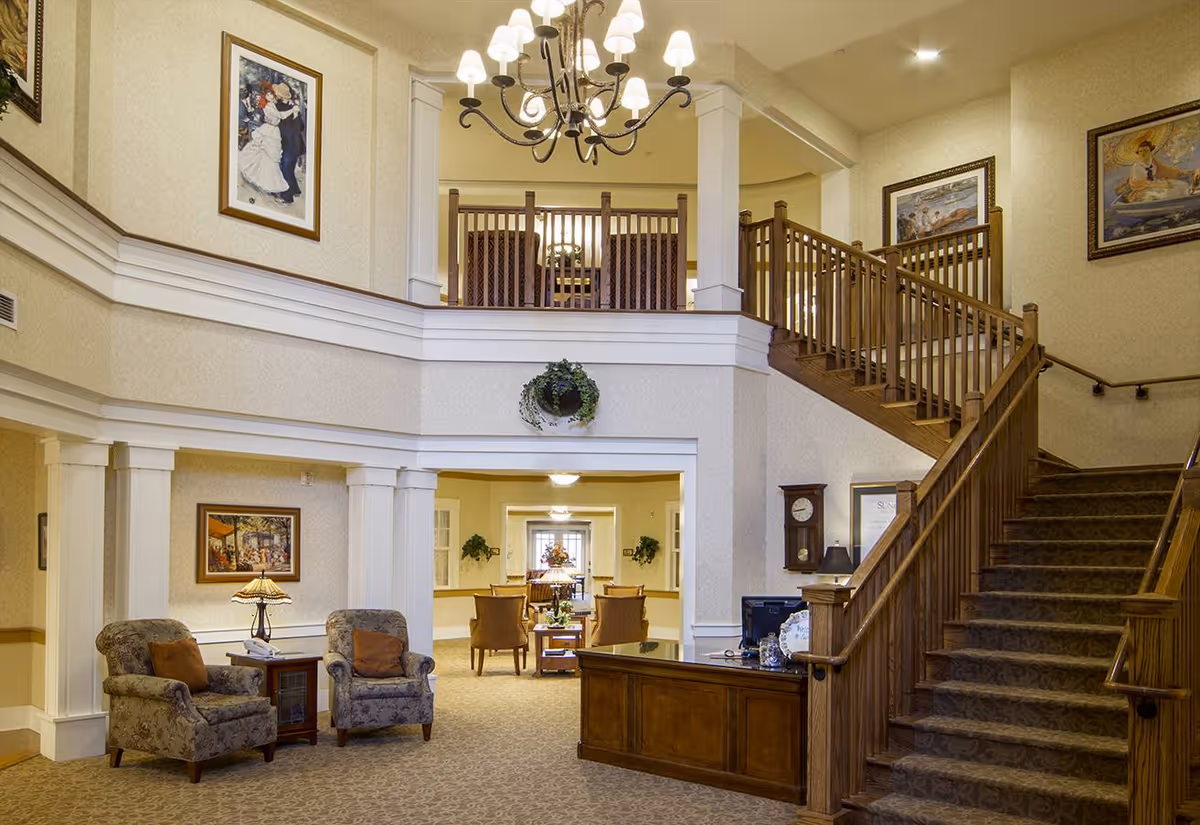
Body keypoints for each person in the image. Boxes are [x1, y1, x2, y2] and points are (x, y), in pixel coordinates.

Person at [237, 83, 298, 198]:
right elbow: (281, 115)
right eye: (269, 94)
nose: (271, 96)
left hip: (274, 132)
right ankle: (266, 182)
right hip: (269, 131)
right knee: (265, 156)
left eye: (272, 94)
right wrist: (292, 110)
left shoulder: (272, 104)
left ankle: (271, 183)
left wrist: (291, 105)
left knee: (271, 158)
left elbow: (280, 109)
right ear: (265, 96)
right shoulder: (267, 106)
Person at [1116, 139, 1200, 201]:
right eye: (1140, 151)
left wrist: (1186, 172)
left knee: (1182, 185)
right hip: (1141, 191)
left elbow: (1168, 170)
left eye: (1145, 150)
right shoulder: (1136, 167)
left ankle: (1188, 195)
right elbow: (1136, 184)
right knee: (1161, 195)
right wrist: (1158, 184)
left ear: (1150, 151)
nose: (1143, 153)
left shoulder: (1153, 162)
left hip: (1156, 185)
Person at [273, 83, 306, 204]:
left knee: (286, 167)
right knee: (288, 167)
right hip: (289, 142)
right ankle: (295, 190)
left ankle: (287, 197)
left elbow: (300, 127)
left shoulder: (287, 107)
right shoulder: (278, 106)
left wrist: (296, 115)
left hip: (291, 143)